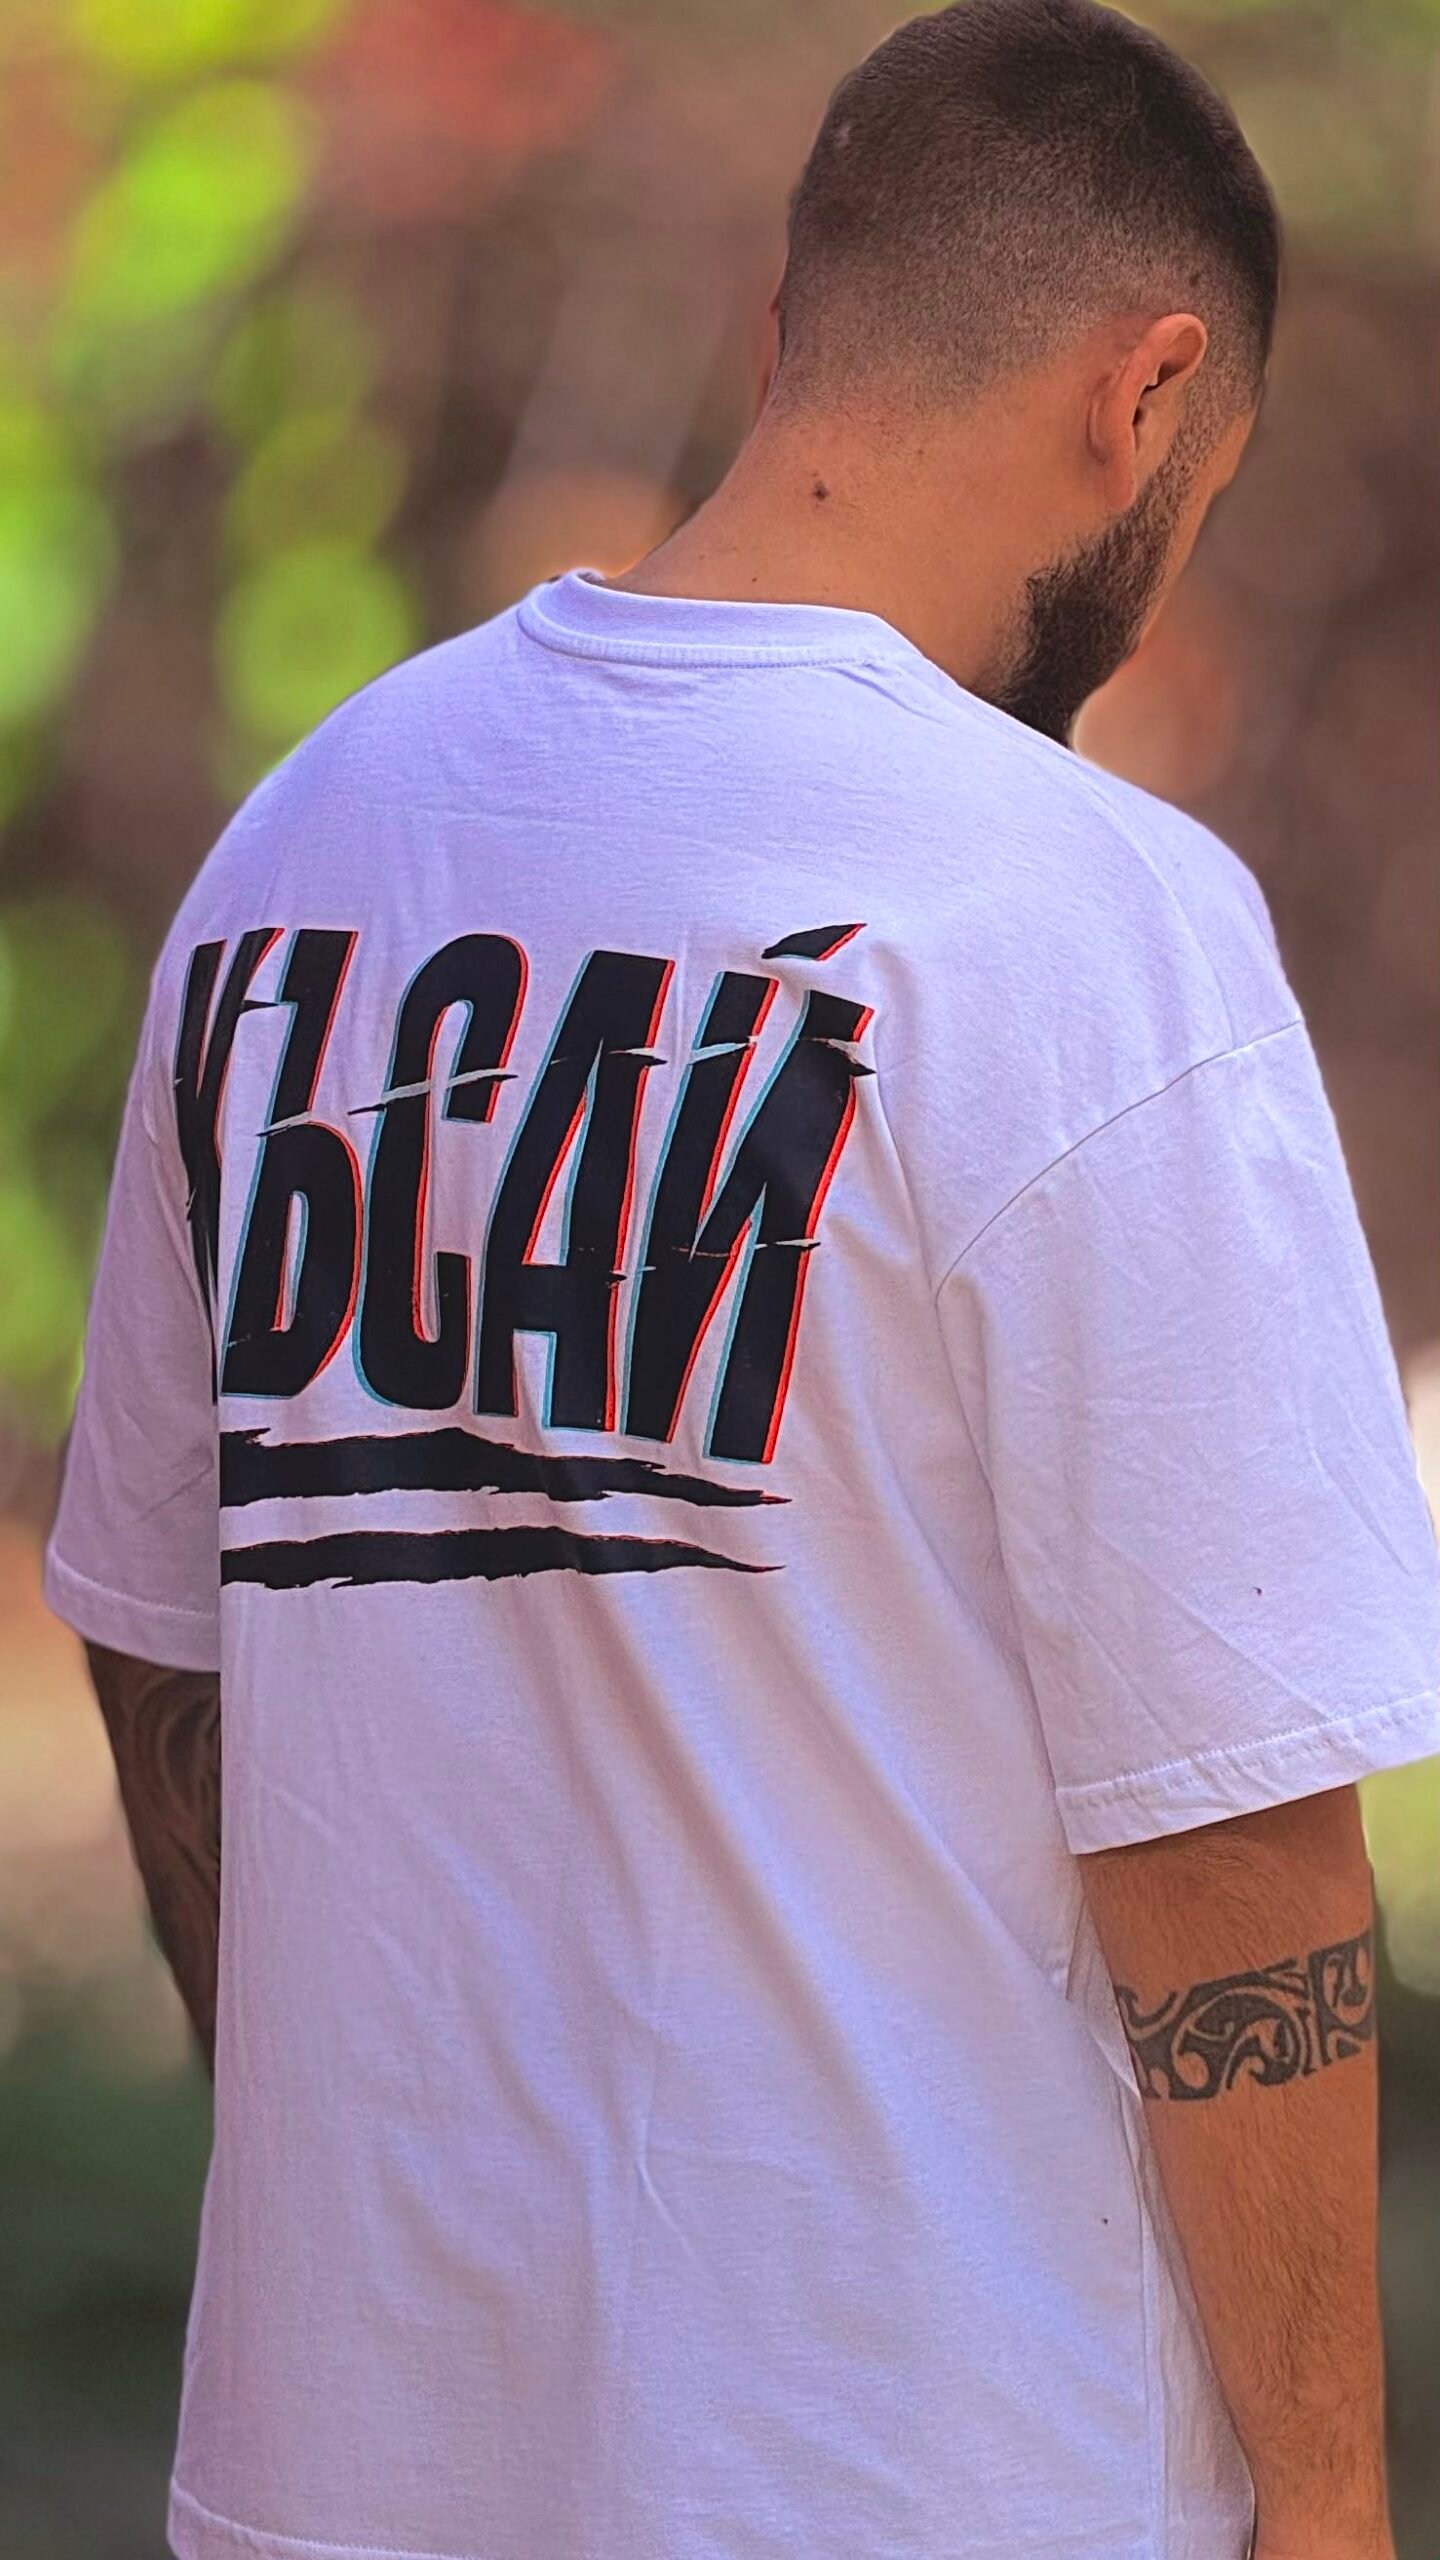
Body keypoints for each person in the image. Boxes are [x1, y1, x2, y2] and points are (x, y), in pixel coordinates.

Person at [45, 3, 1440, 2558]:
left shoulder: (298, 856)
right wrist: (1333, 2492)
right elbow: (1227, 1827)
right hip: (922, 2476)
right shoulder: (1088, 918)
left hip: (338, 2477)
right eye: (1208, 489)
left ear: (791, 328)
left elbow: (165, 1652)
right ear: (1147, 396)